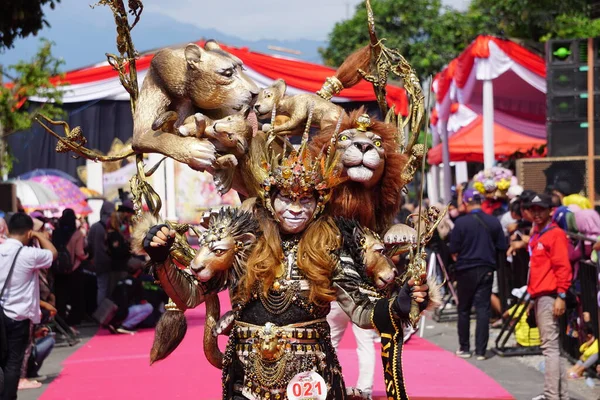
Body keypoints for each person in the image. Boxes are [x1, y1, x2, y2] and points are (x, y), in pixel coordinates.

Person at [142, 124, 431, 399]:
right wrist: (162, 259)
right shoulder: (245, 241)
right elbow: (190, 295)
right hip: (246, 378)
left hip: (311, 380)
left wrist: (400, 304)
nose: (294, 209)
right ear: (270, 200)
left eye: (305, 200)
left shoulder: (333, 242)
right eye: (286, 199)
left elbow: (361, 311)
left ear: (319, 204)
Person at [0, 213, 57, 400]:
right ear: (28, 232)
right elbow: (53, 254)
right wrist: (39, 236)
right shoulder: (28, 254)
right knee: (13, 363)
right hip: (19, 315)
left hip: (1, 313)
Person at [449, 188, 507, 360]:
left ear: (466, 203)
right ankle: (481, 350)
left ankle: (465, 347)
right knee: (483, 309)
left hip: (465, 268)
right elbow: (502, 247)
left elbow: (453, 249)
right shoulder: (493, 221)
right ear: (481, 202)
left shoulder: (461, 223)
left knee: (464, 309)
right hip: (486, 268)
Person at [526, 193, 572, 400]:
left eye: (541, 209)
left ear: (549, 211)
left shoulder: (554, 234)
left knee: (550, 348)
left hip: (550, 294)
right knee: (554, 348)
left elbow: (563, 266)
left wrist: (561, 294)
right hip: (541, 294)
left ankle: (551, 395)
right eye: (533, 209)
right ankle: (558, 394)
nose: (536, 213)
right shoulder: (539, 234)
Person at [52, 209, 88, 326]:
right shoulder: (77, 233)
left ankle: (60, 320)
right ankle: (74, 319)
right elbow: (79, 253)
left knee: (60, 296)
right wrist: (87, 255)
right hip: (74, 269)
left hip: (58, 269)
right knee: (76, 296)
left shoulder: (56, 232)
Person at [88, 201, 114, 306]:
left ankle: (101, 313)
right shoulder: (111, 226)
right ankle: (103, 313)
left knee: (101, 287)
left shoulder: (94, 226)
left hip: (97, 262)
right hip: (109, 262)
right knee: (107, 289)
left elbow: (89, 244)